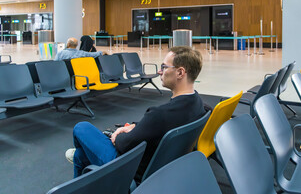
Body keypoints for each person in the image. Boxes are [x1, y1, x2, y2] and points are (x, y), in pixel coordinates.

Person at [65, 46, 205, 180]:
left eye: (164, 67)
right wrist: (134, 126)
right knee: (80, 155)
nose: (159, 72)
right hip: (163, 168)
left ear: (180, 72)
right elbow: (156, 127)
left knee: (81, 128)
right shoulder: (198, 104)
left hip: (130, 169)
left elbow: (123, 144)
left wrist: (117, 135)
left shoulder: (159, 114)